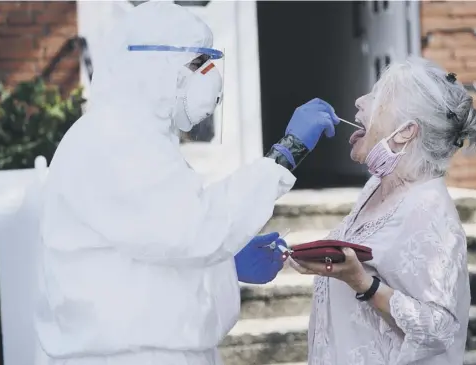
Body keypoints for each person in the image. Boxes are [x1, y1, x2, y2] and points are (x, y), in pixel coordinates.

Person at [34, 2, 338, 365]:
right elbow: (194, 229)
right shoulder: (115, 137)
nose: (209, 76)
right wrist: (286, 153)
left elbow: (158, 243)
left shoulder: (135, 136)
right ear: (155, 65)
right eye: (198, 62)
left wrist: (226, 264)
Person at [290, 56, 476, 365]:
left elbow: (439, 330)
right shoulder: (377, 186)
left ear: (405, 132)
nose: (359, 102)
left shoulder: (430, 211)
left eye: (376, 96)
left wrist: (364, 284)